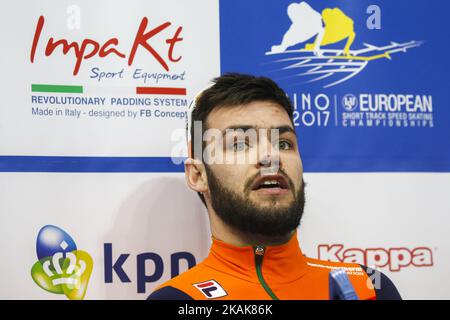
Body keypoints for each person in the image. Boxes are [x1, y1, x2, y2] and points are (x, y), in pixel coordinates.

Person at [148, 73, 401, 300]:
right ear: (198, 175)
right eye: (239, 144)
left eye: (284, 144)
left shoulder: (368, 288)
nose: (271, 157)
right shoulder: (179, 300)